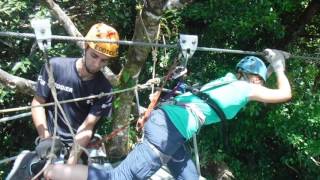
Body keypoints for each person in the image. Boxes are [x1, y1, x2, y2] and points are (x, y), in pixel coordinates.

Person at [26, 48, 292, 180]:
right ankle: (56, 172)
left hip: (169, 129)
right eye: (261, 80)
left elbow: (254, 78)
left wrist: (271, 65)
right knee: (119, 178)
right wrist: (279, 67)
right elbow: (284, 94)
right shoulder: (245, 88)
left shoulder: (227, 81)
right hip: (169, 131)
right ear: (256, 79)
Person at [6, 23, 119, 180]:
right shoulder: (56, 67)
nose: (97, 64)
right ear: (85, 47)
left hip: (80, 144)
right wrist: (45, 138)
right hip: (52, 140)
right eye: (94, 56)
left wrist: (70, 166)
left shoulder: (104, 89)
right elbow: (38, 102)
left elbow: (87, 126)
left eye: (104, 61)